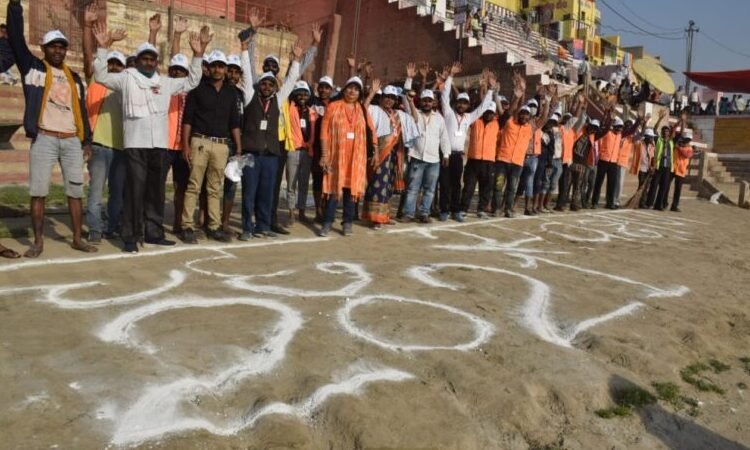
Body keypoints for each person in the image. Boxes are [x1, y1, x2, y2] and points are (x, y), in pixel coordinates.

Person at [92, 21, 205, 252]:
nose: (148, 62)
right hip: (135, 145)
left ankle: (154, 232)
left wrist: (197, 55)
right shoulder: (126, 78)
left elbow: (192, 81)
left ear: (156, 62)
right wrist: (103, 47)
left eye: (152, 58)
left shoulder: (164, 82)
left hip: (159, 147)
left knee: (156, 191)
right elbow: (101, 76)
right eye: (144, 58)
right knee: (134, 191)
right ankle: (130, 237)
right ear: (138, 59)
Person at [6, 0, 97, 258]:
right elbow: (15, 39)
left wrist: (87, 140)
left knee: (75, 192)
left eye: (62, 46)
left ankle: (78, 238)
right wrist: (15, 6)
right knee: (38, 192)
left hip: (71, 140)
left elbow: (81, 111)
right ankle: (38, 241)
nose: (58, 51)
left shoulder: (74, 78)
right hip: (44, 138)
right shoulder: (32, 68)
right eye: (53, 46)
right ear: (44, 49)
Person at [238, 31, 302, 240]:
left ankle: (263, 226)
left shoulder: (278, 99)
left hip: (271, 156)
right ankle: (247, 227)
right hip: (251, 154)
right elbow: (247, 74)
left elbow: (292, 80)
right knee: (249, 193)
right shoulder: (250, 97)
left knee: (266, 193)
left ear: (275, 87)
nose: (266, 86)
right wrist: (244, 50)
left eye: (270, 84)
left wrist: (296, 61)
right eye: (264, 83)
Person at [179, 50, 241, 244]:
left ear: (225, 69)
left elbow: (234, 122)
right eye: (214, 65)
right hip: (200, 141)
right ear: (209, 67)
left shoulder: (232, 93)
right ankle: (187, 225)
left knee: (214, 187)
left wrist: (239, 147)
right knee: (194, 185)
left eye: (221, 66)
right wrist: (185, 145)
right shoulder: (197, 89)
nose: (217, 69)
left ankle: (213, 226)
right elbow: (187, 119)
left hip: (221, 145)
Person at [81, 3, 127, 244]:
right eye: (112, 64)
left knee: (117, 194)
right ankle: (96, 230)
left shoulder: (125, 88)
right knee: (96, 192)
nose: (114, 67)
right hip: (99, 145)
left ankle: (112, 226)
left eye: (119, 65)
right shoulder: (97, 81)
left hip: (121, 148)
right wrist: (88, 26)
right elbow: (89, 56)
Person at [439, 62, 495, 222]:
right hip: (445, 154)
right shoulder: (448, 113)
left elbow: (483, 108)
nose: (462, 105)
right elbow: (444, 96)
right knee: (444, 184)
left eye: (465, 103)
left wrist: (490, 90)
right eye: (460, 102)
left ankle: (455, 210)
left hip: (457, 157)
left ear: (468, 105)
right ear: (456, 103)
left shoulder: (469, 118)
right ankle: (444, 210)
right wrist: (451, 76)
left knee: (457, 185)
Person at [319, 76, 373, 236]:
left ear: (360, 93)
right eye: (350, 87)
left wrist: (374, 149)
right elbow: (324, 132)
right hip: (336, 156)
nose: (352, 91)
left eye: (356, 89)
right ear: (344, 89)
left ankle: (347, 222)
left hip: (356, 158)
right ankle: (327, 222)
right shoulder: (333, 106)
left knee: (351, 191)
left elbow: (371, 131)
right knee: (334, 189)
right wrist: (324, 155)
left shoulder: (362, 109)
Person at [363, 79, 417, 228]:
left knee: (388, 186)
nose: (389, 100)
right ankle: (375, 218)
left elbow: (415, 120)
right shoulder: (375, 109)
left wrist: (411, 102)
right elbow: (363, 110)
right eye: (386, 96)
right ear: (381, 97)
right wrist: (372, 93)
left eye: (392, 98)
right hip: (379, 152)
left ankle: (384, 215)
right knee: (377, 185)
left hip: (395, 155)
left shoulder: (399, 114)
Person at [401, 89, 451, 223]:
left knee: (430, 189)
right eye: (425, 100)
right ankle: (409, 213)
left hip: (434, 160)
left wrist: (446, 154)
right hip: (417, 157)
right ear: (421, 102)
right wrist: (409, 86)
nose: (427, 103)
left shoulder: (439, 118)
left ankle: (424, 213)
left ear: (433, 102)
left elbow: (444, 137)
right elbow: (406, 102)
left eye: (430, 101)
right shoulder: (415, 113)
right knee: (413, 188)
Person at [495, 72, 534, 218]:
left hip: (517, 163)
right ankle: (496, 208)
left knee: (512, 188)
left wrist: (522, 94)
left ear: (529, 117)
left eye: (526, 114)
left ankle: (508, 209)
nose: (524, 115)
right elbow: (512, 111)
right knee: (499, 185)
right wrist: (517, 96)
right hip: (503, 160)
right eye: (522, 114)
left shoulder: (529, 128)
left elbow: (543, 117)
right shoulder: (510, 122)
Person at [282, 80, 319, 225]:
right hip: (293, 150)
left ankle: (302, 212)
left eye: (305, 93)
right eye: (299, 93)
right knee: (291, 183)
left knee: (303, 184)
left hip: (307, 152)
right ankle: (291, 212)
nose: (302, 96)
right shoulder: (289, 108)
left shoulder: (312, 113)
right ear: (295, 94)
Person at [459, 100, 500, 219]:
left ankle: (481, 210)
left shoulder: (498, 123)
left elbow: (508, 113)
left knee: (486, 188)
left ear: (494, 113)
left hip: (489, 162)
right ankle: (463, 208)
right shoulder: (476, 121)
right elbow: (472, 110)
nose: (489, 114)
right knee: (468, 187)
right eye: (487, 112)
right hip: (473, 160)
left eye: (491, 112)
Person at [310, 76, 335, 223]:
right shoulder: (313, 102)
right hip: (317, 149)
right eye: (321, 87)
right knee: (318, 180)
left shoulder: (336, 103)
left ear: (331, 90)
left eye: (327, 87)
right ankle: (319, 211)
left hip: (332, 148)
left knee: (330, 180)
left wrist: (354, 70)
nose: (323, 90)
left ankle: (327, 210)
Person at [644, 109, 676, 211]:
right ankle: (649, 203)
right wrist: (660, 119)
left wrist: (679, 123)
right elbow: (655, 129)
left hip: (667, 167)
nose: (666, 133)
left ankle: (659, 205)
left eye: (667, 131)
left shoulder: (671, 142)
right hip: (658, 166)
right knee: (654, 186)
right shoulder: (659, 140)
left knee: (664, 187)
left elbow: (674, 133)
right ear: (662, 133)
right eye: (664, 131)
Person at [568, 118, 601, 211]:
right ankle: (562, 202)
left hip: (583, 164)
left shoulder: (592, 136)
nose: (593, 130)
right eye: (592, 127)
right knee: (568, 183)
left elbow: (603, 131)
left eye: (595, 129)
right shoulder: (580, 132)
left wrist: (608, 117)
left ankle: (574, 204)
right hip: (572, 161)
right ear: (588, 126)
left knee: (578, 185)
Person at [670, 129, 694, 212]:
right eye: (685, 139)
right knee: (666, 186)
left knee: (678, 190)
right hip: (673, 168)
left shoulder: (689, 148)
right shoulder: (677, 145)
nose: (686, 141)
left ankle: (674, 205)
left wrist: (679, 148)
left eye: (688, 140)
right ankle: (663, 202)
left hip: (681, 171)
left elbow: (687, 155)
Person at [631, 127, 656, 195]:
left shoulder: (652, 146)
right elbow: (634, 141)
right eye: (651, 137)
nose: (652, 139)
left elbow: (653, 157)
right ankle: (638, 198)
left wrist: (652, 166)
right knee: (641, 184)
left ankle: (642, 200)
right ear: (647, 137)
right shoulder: (640, 144)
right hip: (642, 168)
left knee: (646, 186)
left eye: (652, 137)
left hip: (648, 168)